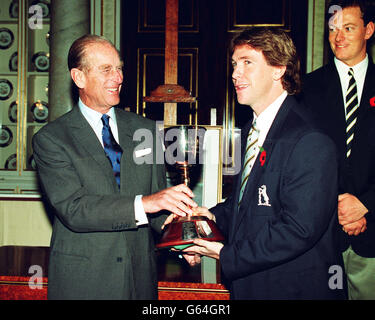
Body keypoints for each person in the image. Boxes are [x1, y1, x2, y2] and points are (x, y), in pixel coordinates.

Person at [177, 27, 347, 299]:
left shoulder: (310, 140)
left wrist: (226, 254)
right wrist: (209, 218)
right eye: (234, 64)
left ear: (278, 69)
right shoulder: (251, 130)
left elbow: (298, 229)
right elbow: (246, 204)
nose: (235, 73)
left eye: (247, 63)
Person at [32, 34, 197, 300]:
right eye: (106, 69)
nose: (118, 77)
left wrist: (183, 241)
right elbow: (74, 209)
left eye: (119, 68)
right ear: (79, 78)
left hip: (139, 281)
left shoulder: (144, 130)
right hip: (84, 283)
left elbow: (157, 208)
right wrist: (145, 203)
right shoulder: (52, 139)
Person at [300, 0, 375, 299]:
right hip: (319, 235)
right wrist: (337, 206)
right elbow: (299, 163)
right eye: (332, 29)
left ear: (369, 30)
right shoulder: (304, 90)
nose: (338, 36)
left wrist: (365, 204)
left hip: (372, 238)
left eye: (348, 28)